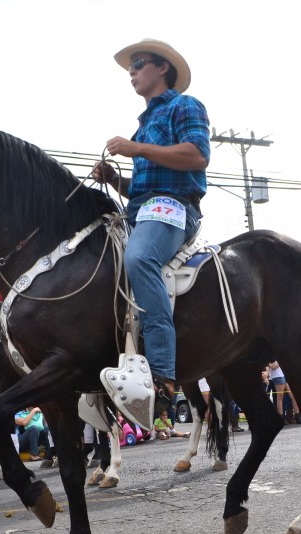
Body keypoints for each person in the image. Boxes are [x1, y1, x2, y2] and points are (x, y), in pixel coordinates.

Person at [90, 39, 210, 409]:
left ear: (162, 69)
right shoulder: (142, 128)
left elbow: (197, 155)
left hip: (175, 208)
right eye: (131, 66)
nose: (132, 71)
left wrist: (137, 149)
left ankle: (161, 373)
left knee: (139, 259)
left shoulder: (185, 105)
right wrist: (113, 180)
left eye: (139, 64)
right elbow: (141, 189)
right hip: (143, 209)